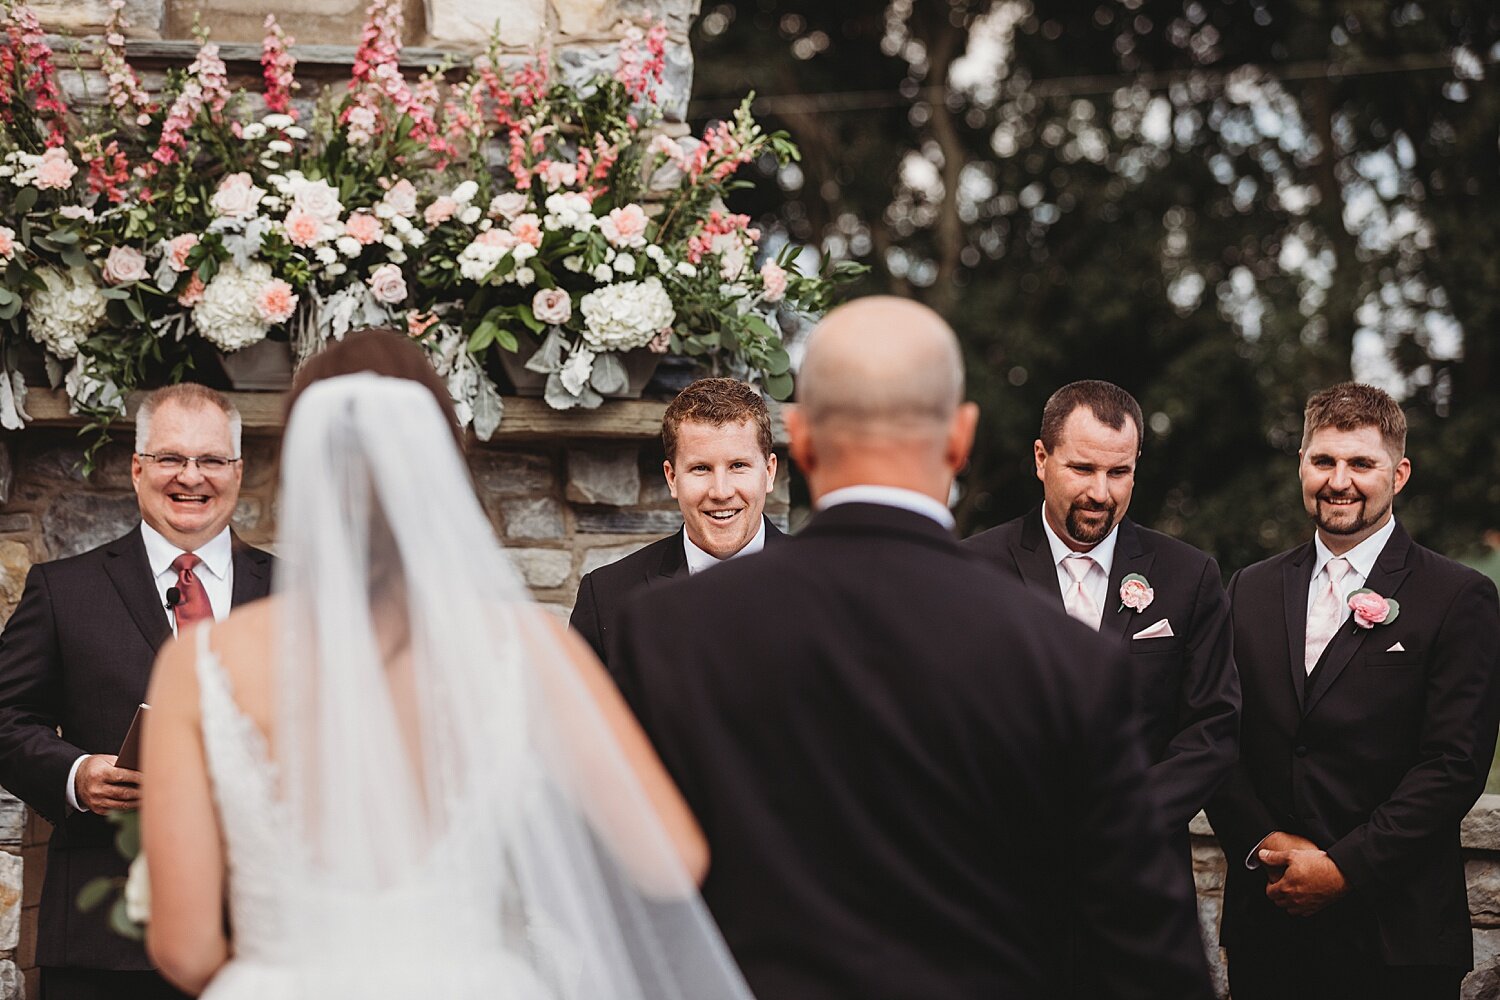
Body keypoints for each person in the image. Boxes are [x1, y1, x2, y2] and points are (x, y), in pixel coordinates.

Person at [612, 297, 1213, 1000]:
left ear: (798, 441)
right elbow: (1150, 950)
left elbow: (637, 898)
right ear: (960, 439)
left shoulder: (667, 631)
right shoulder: (1066, 657)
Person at [140, 328, 753, 1000]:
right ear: (439, 463)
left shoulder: (201, 664)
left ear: (304, 466)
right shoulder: (526, 649)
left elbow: (186, 946)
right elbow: (673, 862)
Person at [1206, 382, 1500, 1000]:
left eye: (1361, 463)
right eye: (1324, 461)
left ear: (1399, 473)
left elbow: (1454, 764)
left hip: (1397, 938)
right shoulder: (1249, 588)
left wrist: (1343, 869)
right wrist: (1264, 843)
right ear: (1302, 466)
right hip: (1271, 924)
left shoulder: (1458, 597)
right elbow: (1216, 731)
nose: (1339, 481)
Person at [0, 383, 274, 1000]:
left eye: (210, 460)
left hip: (270, 933)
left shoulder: (298, 592)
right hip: (106, 941)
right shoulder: (61, 590)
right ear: (138, 467)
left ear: (237, 470)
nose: (191, 477)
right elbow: (5, 718)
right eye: (172, 458)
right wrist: (75, 775)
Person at [964, 380, 1239, 838]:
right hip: (1006, 865)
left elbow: (1213, 730)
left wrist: (1125, 817)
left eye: (1118, 472)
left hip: (1139, 872)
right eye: (1082, 468)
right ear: (1041, 458)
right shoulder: (971, 570)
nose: (1100, 493)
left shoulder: (1189, 576)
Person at [570, 377, 785, 672]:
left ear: (769, 472)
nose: (721, 492)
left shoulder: (825, 584)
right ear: (672, 478)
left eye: (738, 466)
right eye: (701, 468)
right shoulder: (606, 596)